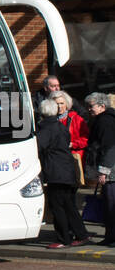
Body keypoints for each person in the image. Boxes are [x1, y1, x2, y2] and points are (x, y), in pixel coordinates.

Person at [35, 98, 90, 249]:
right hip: (66, 170)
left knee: (57, 206)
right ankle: (82, 234)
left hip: (55, 172)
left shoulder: (46, 129)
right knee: (68, 205)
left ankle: (63, 238)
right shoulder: (60, 126)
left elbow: (37, 148)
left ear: (42, 112)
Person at [85, 93, 115, 246]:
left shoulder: (105, 121)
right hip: (111, 169)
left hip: (111, 171)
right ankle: (110, 236)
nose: (89, 109)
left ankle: (112, 237)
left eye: (92, 106)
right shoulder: (107, 119)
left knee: (111, 204)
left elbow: (109, 147)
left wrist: (103, 171)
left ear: (102, 106)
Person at [54, 91, 89, 182]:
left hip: (73, 159)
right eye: (56, 104)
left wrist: (72, 144)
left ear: (67, 104)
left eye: (62, 103)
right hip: (56, 160)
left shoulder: (77, 119)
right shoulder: (49, 121)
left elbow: (86, 139)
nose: (59, 106)